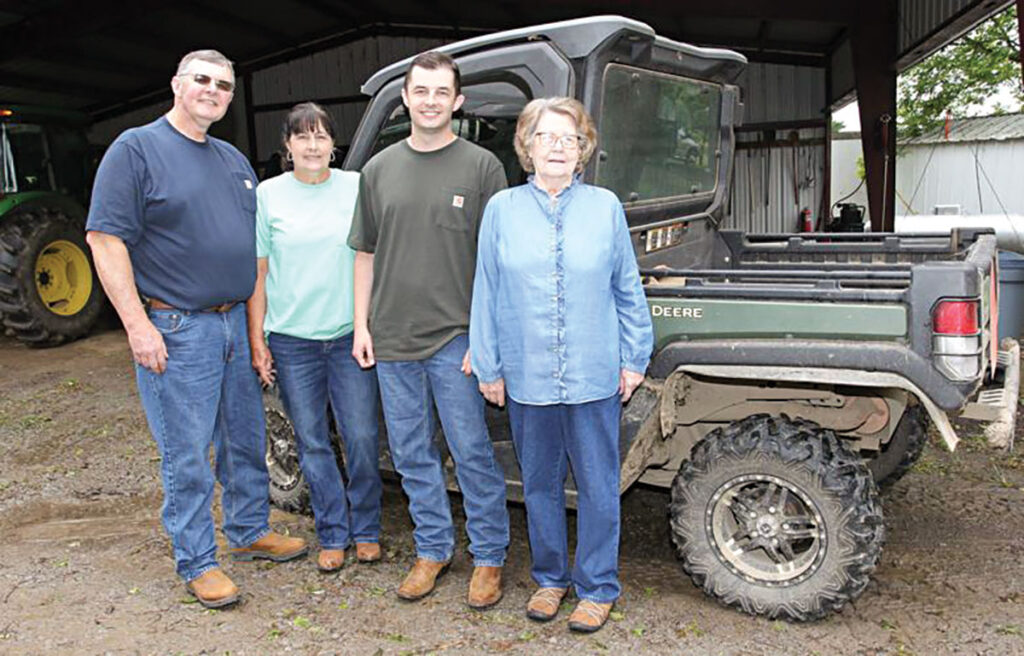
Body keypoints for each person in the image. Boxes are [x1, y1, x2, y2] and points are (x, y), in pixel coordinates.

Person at [85, 49, 307, 610]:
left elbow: (251, 253)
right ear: (177, 85)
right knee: (187, 452)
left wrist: (255, 335)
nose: (213, 90)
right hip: (177, 327)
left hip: (233, 321)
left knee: (244, 438)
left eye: (224, 85)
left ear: (231, 98)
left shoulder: (232, 159)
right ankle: (197, 561)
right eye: (202, 80)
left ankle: (249, 529)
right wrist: (138, 325)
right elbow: (105, 241)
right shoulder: (136, 150)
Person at [469, 97, 654, 633]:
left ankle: (597, 586)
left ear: (583, 150)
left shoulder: (605, 207)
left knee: (598, 483)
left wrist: (634, 356)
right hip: (527, 373)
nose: (556, 146)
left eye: (568, 138)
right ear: (526, 147)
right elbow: (487, 289)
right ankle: (550, 578)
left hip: (594, 371)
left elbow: (626, 287)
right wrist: (488, 364)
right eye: (545, 136)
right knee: (540, 483)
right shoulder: (502, 210)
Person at [348, 51, 510, 608]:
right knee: (412, 452)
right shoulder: (377, 170)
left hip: (455, 339)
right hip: (391, 337)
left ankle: (488, 557)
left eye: (442, 92)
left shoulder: (482, 167)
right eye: (421, 91)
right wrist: (360, 326)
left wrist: (485, 338)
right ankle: (433, 549)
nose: (431, 101)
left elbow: (494, 263)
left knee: (470, 451)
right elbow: (364, 254)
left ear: (457, 101)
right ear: (406, 98)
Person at [247, 102, 382, 573]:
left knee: (361, 437)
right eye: (302, 137)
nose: (312, 145)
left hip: (349, 335)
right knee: (312, 442)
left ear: (333, 145)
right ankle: (333, 532)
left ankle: (366, 528)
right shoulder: (268, 195)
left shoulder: (357, 185)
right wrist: (258, 339)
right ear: (287, 146)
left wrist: (368, 323)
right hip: (292, 339)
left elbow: (372, 254)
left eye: (321, 136)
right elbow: (259, 273)